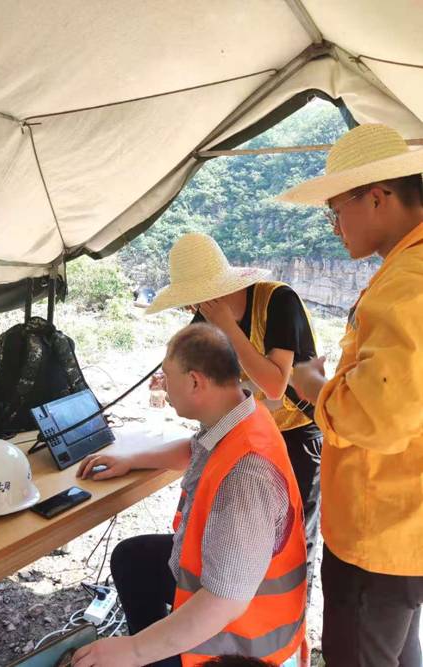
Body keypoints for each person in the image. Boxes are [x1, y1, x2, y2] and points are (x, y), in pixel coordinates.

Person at [72, 323, 307, 667]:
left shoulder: (245, 477)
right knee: (133, 559)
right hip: (232, 589)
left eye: (167, 376)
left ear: (196, 381)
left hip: (245, 643)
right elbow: (197, 449)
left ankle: (160, 656)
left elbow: (223, 603)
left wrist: (133, 650)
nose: (163, 385)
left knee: (138, 650)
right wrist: (131, 460)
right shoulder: (242, 412)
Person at [278, 123, 423, 667]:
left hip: (377, 528)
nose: (334, 225)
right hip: (406, 520)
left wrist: (312, 384)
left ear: (378, 198)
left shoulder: (407, 281)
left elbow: (378, 416)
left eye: (335, 209)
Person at [145, 232, 322, 601]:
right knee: (236, 535)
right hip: (244, 433)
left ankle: (289, 627)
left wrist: (226, 326)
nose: (192, 309)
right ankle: (232, 611)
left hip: (295, 432)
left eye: (194, 299)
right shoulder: (204, 318)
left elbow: (275, 384)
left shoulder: (277, 301)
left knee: (291, 538)